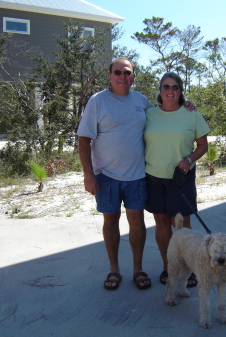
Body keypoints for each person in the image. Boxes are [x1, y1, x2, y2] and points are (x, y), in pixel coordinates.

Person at [77, 57, 153, 291]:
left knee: (137, 222)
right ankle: (114, 269)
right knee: (110, 221)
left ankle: (138, 269)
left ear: (133, 76)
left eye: (127, 72)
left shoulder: (142, 101)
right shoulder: (97, 101)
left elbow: (163, 118)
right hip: (106, 176)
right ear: (109, 75)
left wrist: (185, 105)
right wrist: (88, 175)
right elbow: (83, 139)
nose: (123, 77)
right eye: (118, 72)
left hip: (137, 175)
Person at [144, 72, 211, 286]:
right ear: (160, 90)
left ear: (181, 91)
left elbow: (203, 146)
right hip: (153, 176)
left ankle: (189, 268)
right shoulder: (149, 114)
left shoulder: (192, 115)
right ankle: (168, 267)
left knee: (181, 224)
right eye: (166, 87)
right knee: (162, 223)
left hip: (180, 177)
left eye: (175, 87)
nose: (170, 91)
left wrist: (188, 160)